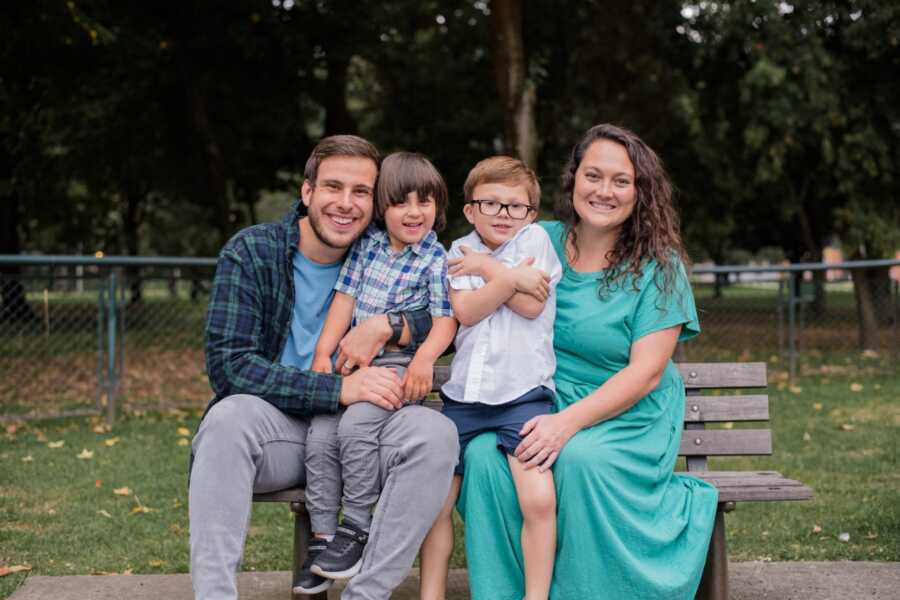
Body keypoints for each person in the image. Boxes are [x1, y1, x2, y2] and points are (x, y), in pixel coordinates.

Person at [452, 124, 719, 599]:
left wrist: (565, 425)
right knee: (481, 458)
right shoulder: (536, 239)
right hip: (536, 401)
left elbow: (647, 372)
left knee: (577, 460)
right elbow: (459, 277)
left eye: (621, 181)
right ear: (573, 180)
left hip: (626, 415)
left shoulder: (660, 266)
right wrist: (389, 324)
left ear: (640, 193)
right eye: (593, 175)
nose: (604, 191)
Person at [190, 135, 459, 600]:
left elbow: (448, 317)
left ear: (376, 203)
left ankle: (365, 593)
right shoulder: (253, 253)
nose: (346, 204)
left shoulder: (387, 257)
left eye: (361, 193)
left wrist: (387, 325)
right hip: (281, 430)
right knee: (226, 418)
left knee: (437, 435)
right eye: (333, 187)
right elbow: (231, 367)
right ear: (308, 191)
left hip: (365, 432)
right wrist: (336, 390)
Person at [297, 152, 457, 594]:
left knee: (354, 429)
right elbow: (344, 301)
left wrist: (424, 360)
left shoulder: (434, 259)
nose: (414, 212)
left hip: (395, 368)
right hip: (350, 365)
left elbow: (446, 320)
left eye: (425, 202)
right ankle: (324, 538)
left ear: (437, 207)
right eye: (401, 202)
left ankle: (357, 527)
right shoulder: (367, 246)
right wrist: (322, 356)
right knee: (321, 434)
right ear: (382, 208)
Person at [418, 156, 562, 600]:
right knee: (435, 503)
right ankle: (431, 593)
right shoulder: (459, 251)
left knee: (537, 498)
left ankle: (534, 596)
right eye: (491, 203)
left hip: (524, 396)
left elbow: (532, 306)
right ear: (470, 210)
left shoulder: (536, 240)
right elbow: (467, 312)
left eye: (515, 206)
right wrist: (510, 278)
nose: (504, 214)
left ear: (531, 214)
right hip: (464, 399)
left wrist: (490, 271)